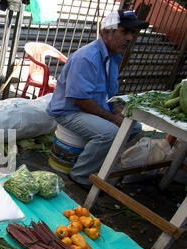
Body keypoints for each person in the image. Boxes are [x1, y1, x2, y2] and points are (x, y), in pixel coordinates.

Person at [46, 9, 148, 188]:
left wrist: (116, 111)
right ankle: (80, 176)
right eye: (125, 32)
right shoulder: (87, 57)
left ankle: (100, 166)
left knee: (134, 127)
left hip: (90, 110)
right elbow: (80, 100)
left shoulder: (113, 57)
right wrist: (112, 118)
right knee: (111, 133)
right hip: (70, 112)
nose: (130, 38)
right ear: (107, 32)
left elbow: (108, 94)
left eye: (133, 33)